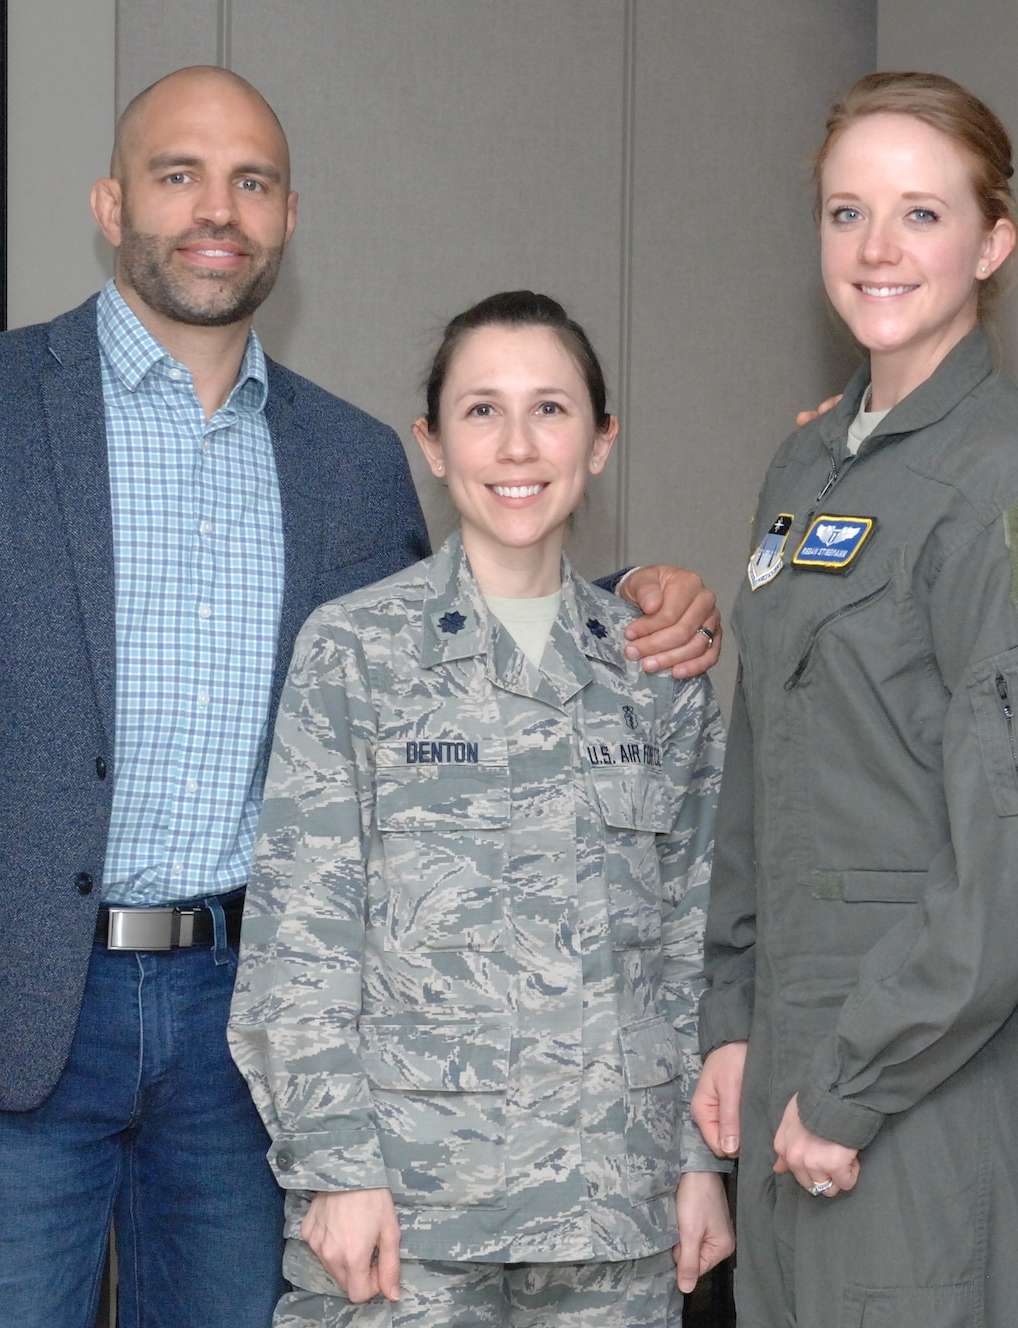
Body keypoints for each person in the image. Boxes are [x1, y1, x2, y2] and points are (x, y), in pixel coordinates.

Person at [0, 67, 723, 1327]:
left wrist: (630, 599)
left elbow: (439, 639)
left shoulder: (344, 459)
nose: (215, 209)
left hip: (245, 1039)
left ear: (287, 217)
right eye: (179, 175)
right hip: (11, 1026)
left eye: (252, 182)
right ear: (113, 203)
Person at [227, 290, 733, 1327]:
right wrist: (333, 1169)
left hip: (615, 1214)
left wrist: (694, 1160)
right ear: (431, 442)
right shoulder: (356, 651)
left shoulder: (656, 672)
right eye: (479, 410)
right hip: (409, 1216)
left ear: (600, 441)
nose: (515, 444)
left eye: (549, 409)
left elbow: (694, 944)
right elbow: (299, 940)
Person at [692, 72, 1018, 1327]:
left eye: (920, 214)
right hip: (792, 1055)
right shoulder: (806, 461)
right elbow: (761, 759)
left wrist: (855, 1081)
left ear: (992, 242)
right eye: (844, 212)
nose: (875, 250)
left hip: (927, 1074)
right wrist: (728, 1015)